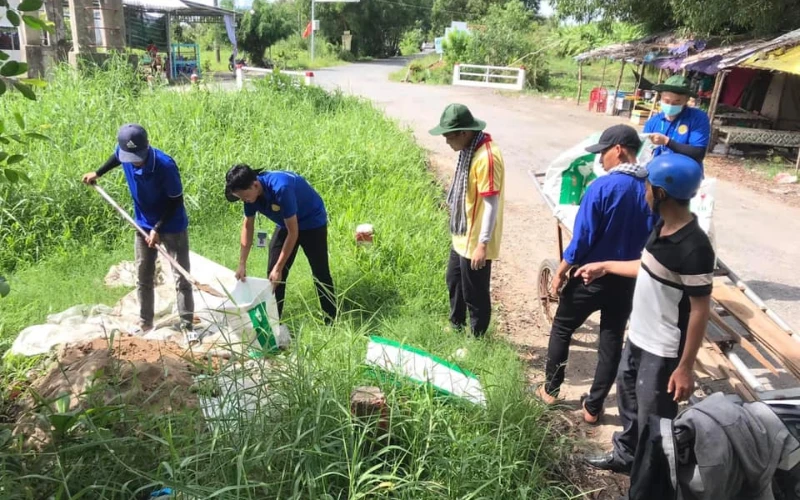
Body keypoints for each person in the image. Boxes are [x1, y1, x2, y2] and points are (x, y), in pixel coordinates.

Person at [581, 154, 713, 474]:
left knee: (655, 427)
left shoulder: (695, 247)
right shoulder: (662, 227)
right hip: (638, 337)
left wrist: (685, 367)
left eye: (647, 187)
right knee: (629, 405)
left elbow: (700, 311)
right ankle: (626, 457)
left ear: (662, 193)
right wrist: (605, 266)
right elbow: (647, 267)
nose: (644, 193)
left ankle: (648, 484)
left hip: (662, 350)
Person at [535, 124, 656, 424]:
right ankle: (593, 407)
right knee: (611, 338)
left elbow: (583, 239)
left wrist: (561, 272)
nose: (599, 160)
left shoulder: (602, 188)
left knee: (563, 327)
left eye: (603, 152)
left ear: (618, 150)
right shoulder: (651, 188)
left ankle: (550, 390)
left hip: (591, 275)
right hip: (628, 278)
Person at [81, 124, 195, 341]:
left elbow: (175, 201)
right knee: (143, 274)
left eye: (138, 156)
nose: (134, 160)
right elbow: (116, 157)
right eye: (129, 156)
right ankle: (145, 323)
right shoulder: (124, 154)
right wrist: (98, 173)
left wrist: (157, 229)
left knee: (181, 278)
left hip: (171, 226)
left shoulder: (165, 165)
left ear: (147, 146)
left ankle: (187, 326)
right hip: (142, 223)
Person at [429, 103, 504, 338]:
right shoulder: (468, 151)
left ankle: (477, 338)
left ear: (464, 132)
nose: (447, 143)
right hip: (462, 235)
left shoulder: (487, 157)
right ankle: (456, 326)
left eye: (449, 137)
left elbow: (491, 203)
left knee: (475, 293)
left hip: (477, 240)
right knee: (454, 280)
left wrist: (483, 244)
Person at [225, 165, 336, 323]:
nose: (244, 201)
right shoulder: (249, 195)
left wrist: (279, 267)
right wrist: (242, 263)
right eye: (241, 198)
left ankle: (330, 320)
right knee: (273, 277)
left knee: (320, 272)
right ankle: (273, 324)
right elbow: (248, 226)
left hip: (311, 222)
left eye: (244, 197)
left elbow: (294, 232)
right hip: (286, 223)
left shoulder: (281, 188)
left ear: (255, 185)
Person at [644, 75, 711, 165]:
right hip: (656, 172)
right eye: (667, 101)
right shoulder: (653, 121)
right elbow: (643, 151)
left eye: (677, 102)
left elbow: (698, 153)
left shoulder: (698, 118)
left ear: (686, 100)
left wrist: (667, 142)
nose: (671, 105)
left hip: (684, 173)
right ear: (661, 97)